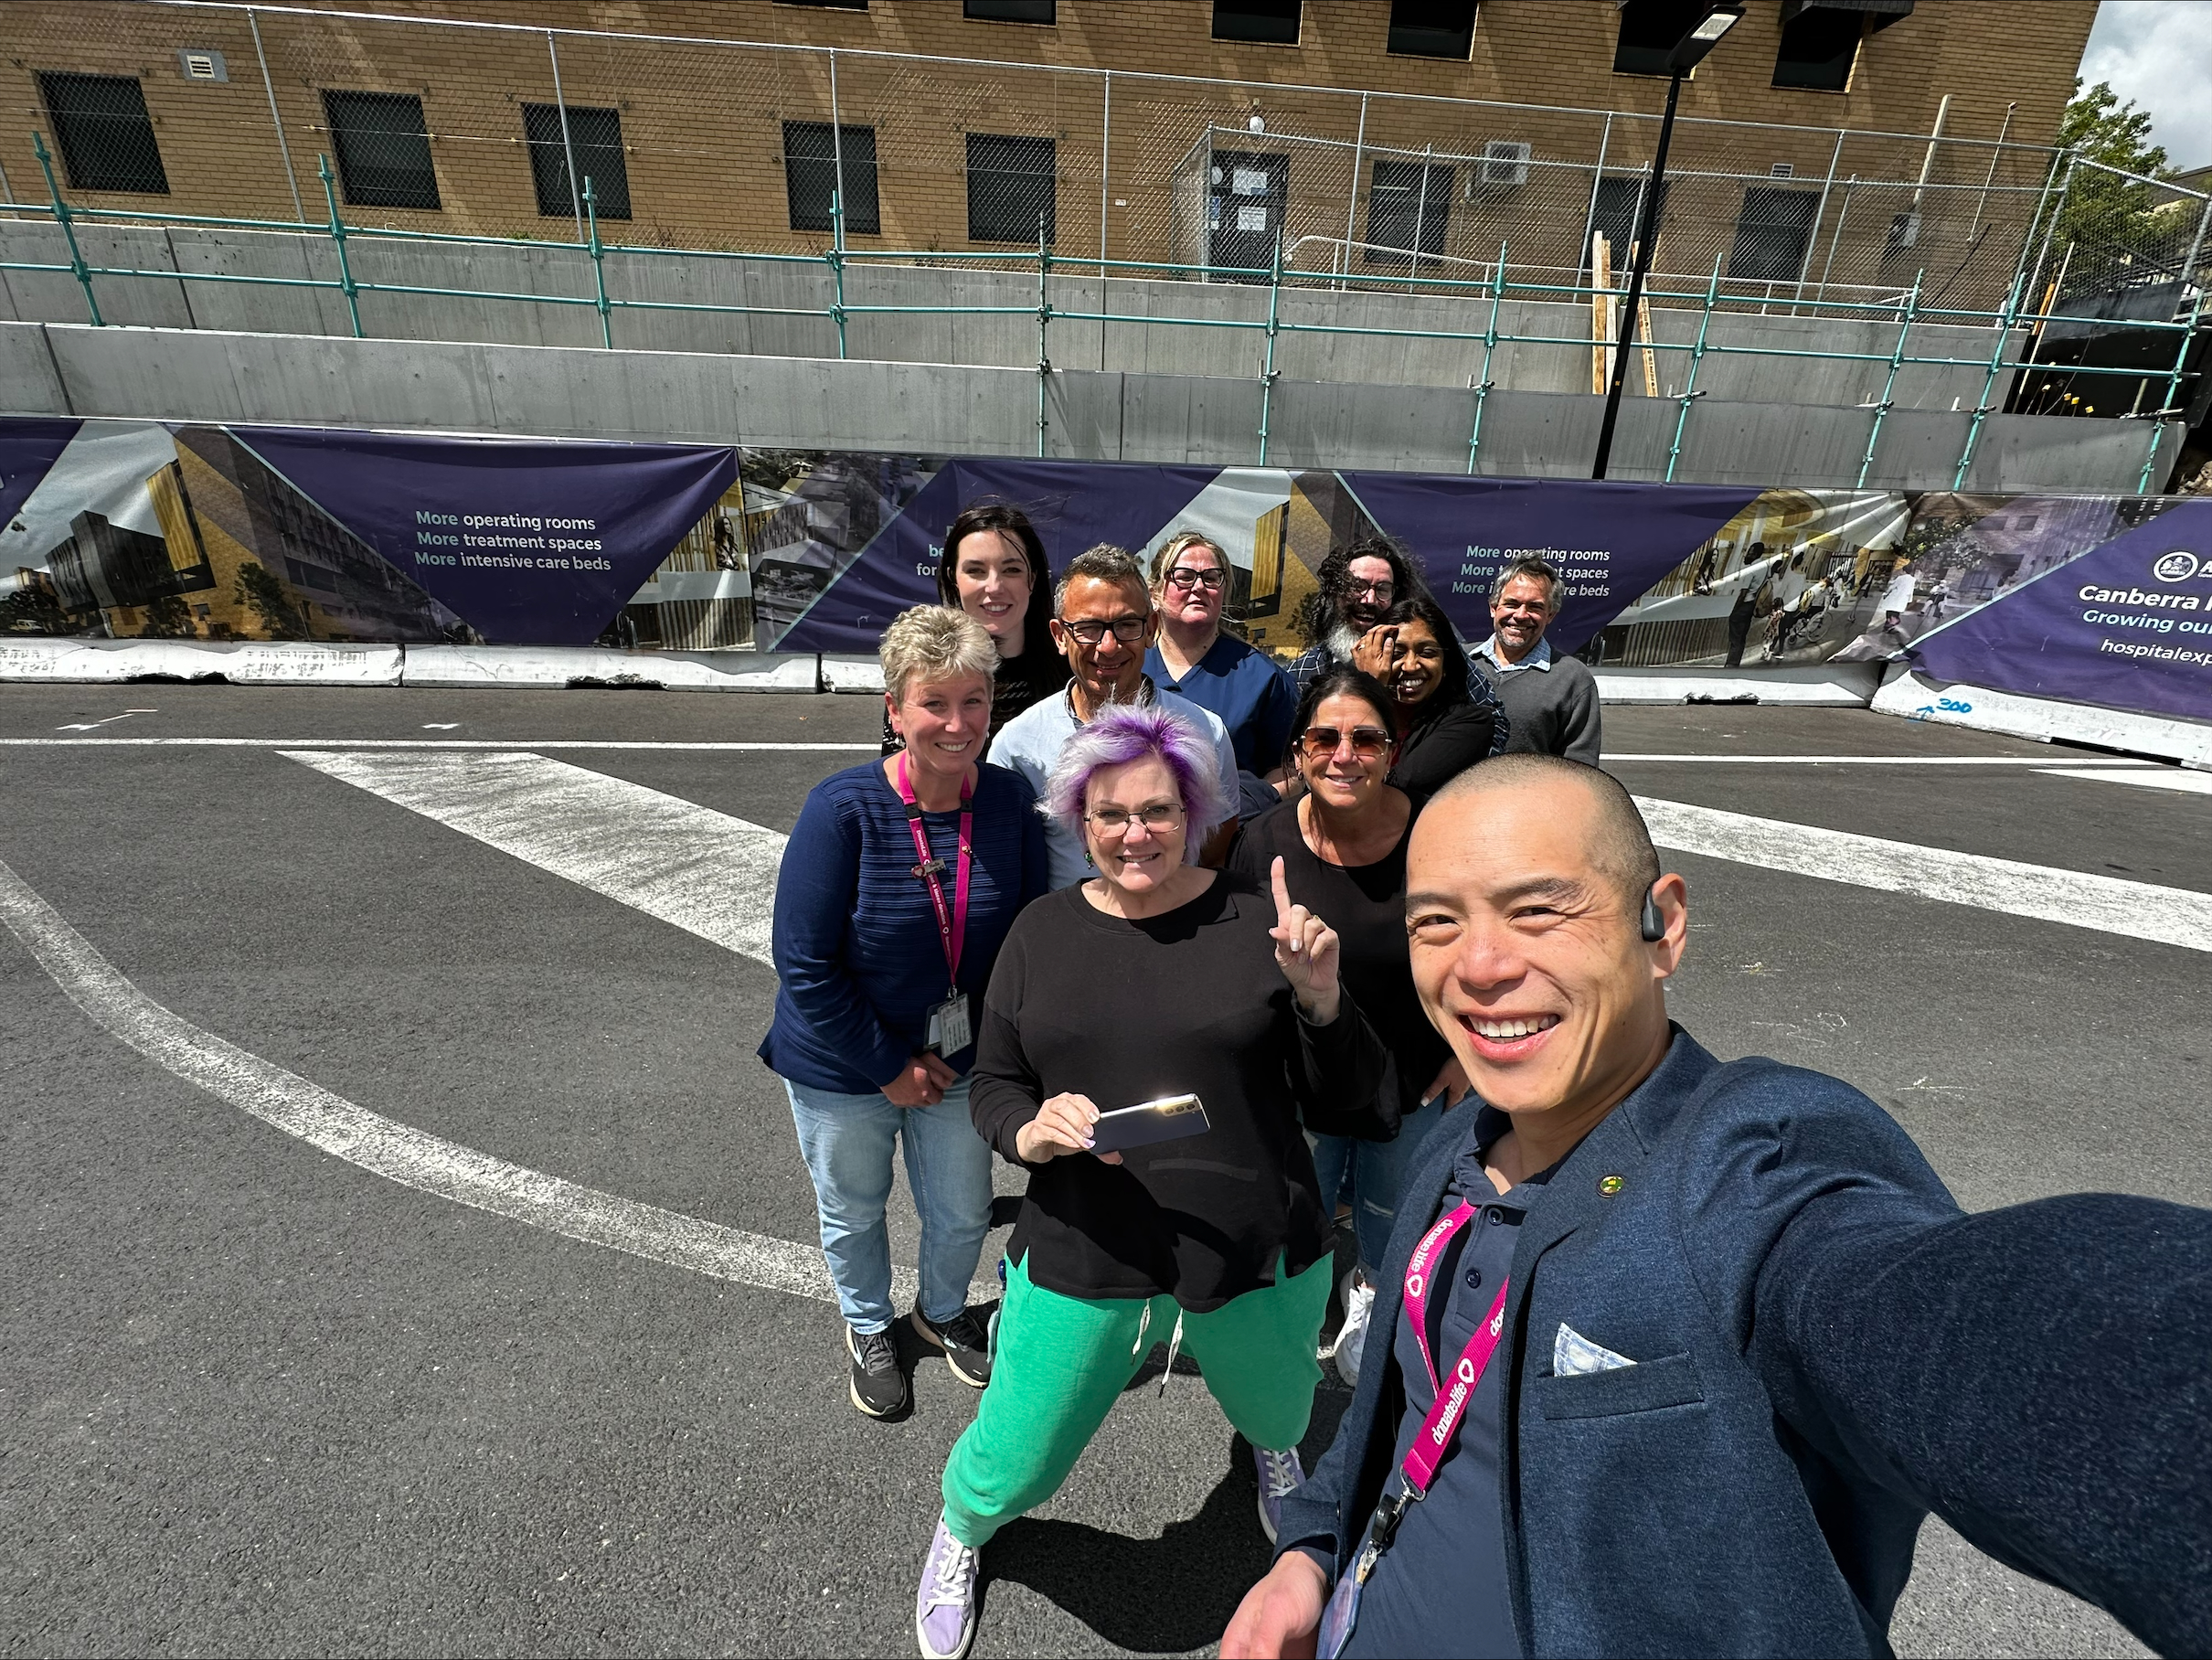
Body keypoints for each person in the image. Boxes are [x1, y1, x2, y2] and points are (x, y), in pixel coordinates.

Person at [1223, 756, 2212, 1659]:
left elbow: (1987, 1330)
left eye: (1537, 911)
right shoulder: (1463, 1130)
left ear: (1664, 925)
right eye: (1436, 921)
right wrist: (1311, 1545)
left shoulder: (1744, 1167)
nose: (1477, 966)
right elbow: (1404, 1405)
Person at [915, 704, 1395, 1660]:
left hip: (1251, 1235)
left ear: (1192, 810)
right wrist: (1028, 1130)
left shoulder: (1257, 927)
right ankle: (963, 1527)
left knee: (1278, 1408)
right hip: (1085, 1239)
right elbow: (998, 1082)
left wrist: (1320, 998)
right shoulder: (1039, 933)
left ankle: (1269, 1448)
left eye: (1157, 811)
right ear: (1078, 821)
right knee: (1020, 1446)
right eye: (1110, 815)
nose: (1135, 833)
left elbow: (1355, 1099)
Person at [761, 606, 1049, 1422]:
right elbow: (806, 964)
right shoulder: (843, 809)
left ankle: (944, 1307)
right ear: (895, 710)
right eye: (935, 704)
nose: (957, 726)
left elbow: (1024, 940)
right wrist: (887, 1065)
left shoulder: (1007, 801)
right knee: (852, 1203)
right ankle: (866, 1326)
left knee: (961, 1209)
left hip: (961, 1058)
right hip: (843, 1063)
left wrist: (978, 1054)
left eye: (974, 703)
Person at [1228, 667, 1468, 1389]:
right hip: (1300, 1080)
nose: (1344, 754)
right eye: (1324, 738)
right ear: (1298, 753)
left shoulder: (1441, 834)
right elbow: (1238, 968)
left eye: (1366, 738)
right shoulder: (1260, 843)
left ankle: (1367, 1291)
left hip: (1416, 1075)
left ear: (1393, 751)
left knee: (1394, 1219)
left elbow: (1484, 945)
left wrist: (1466, 1048)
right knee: (1295, 1219)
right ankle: (1293, 1321)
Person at [987, 543, 1240, 889]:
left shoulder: (1205, 732)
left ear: (1151, 628)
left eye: (1126, 625)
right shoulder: (1017, 746)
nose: (1108, 646)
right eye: (1089, 628)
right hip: (1070, 935)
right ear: (1060, 636)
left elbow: (1213, 853)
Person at [1288, 536, 1508, 755]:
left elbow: (1493, 717)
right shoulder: (1304, 671)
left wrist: (1464, 779)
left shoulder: (1433, 656)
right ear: (1335, 592)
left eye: (1382, 589)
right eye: (1357, 586)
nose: (1369, 600)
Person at [883, 500, 1069, 756]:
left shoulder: (1071, 673)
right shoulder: (921, 670)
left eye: (1011, 570)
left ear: (1033, 578)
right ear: (953, 578)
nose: (994, 587)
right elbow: (898, 781)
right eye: (976, 571)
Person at [1143, 528, 1298, 818]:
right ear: (1155, 592)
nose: (1199, 587)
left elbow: (1293, 765)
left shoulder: (1261, 677)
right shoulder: (1130, 664)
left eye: (1212, 577)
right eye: (1184, 576)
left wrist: (1251, 803)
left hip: (1229, 841)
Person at [1359, 593, 1501, 809]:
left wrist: (1371, 686)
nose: (1410, 665)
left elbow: (1399, 785)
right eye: (1396, 654)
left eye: (1427, 653)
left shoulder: (1471, 723)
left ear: (1446, 665)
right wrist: (1363, 686)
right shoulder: (1341, 711)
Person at [1469, 557, 1601, 766]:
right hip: (1453, 798)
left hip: (1527, 799)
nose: (1521, 615)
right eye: (1512, 603)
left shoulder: (1573, 679)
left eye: (1535, 607)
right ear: (1493, 607)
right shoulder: (1457, 661)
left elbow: (1580, 767)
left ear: (1550, 615)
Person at [1723, 539, 1766, 670]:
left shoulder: (1751, 569)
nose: (1747, 555)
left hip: (1744, 604)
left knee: (1735, 636)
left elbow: (1743, 593)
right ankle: (1735, 662)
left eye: (1750, 553)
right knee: (1742, 636)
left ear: (1755, 554)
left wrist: (1734, 610)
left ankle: (1731, 663)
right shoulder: (1765, 567)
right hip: (1752, 605)